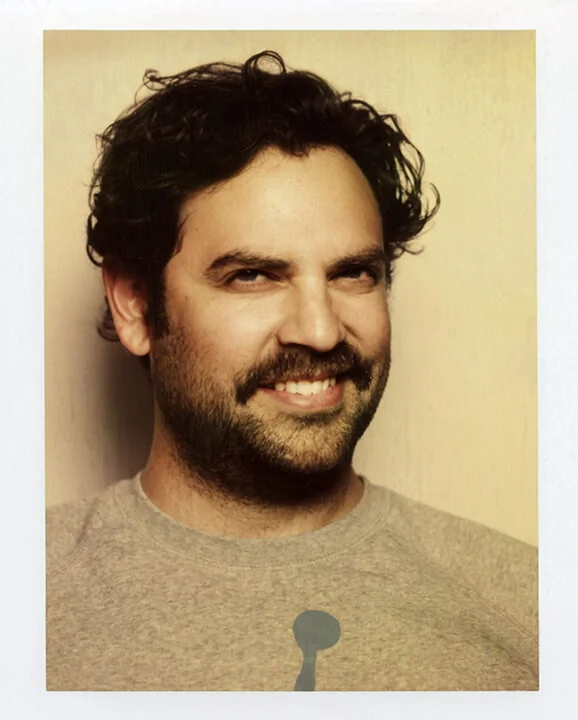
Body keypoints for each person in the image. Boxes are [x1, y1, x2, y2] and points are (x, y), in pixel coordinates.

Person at [46, 50, 538, 691]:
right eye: (252, 276)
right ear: (136, 305)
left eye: (353, 273)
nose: (321, 330)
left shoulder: (534, 610)